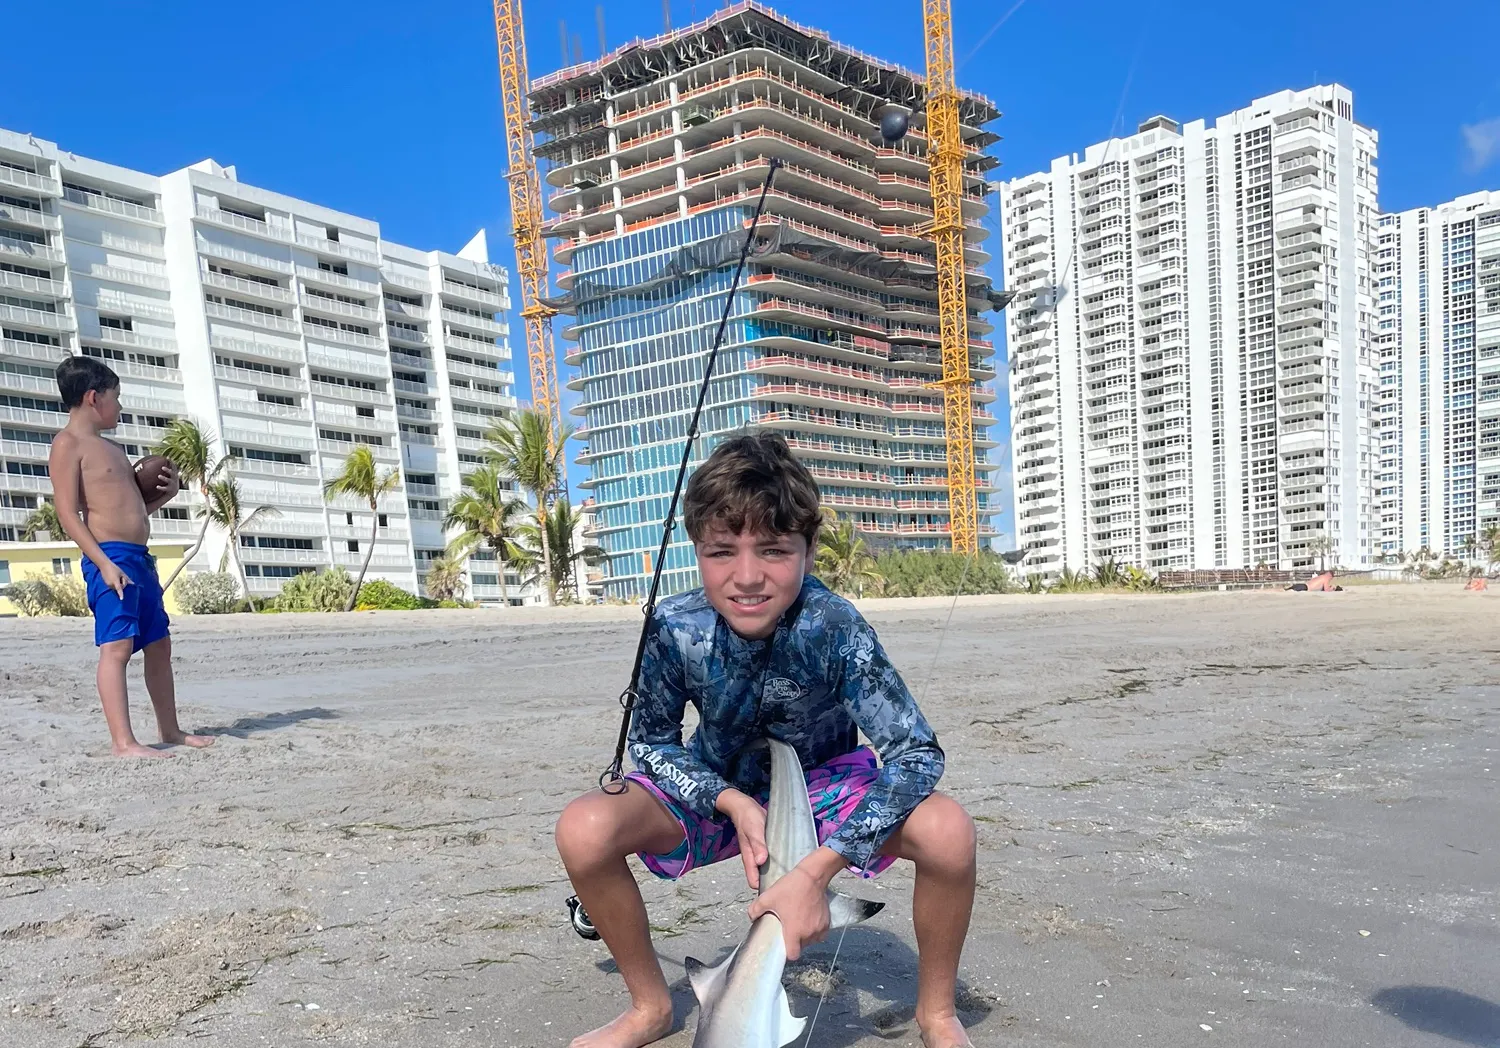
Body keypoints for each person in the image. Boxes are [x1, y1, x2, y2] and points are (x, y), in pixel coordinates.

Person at [554, 432, 979, 1048]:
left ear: (807, 551)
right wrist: (728, 800)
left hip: (827, 790)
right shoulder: (676, 626)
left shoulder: (833, 626)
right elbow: (649, 744)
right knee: (584, 828)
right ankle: (651, 1007)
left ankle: (936, 1012)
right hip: (718, 789)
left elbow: (916, 753)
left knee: (949, 831)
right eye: (722, 551)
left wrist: (816, 871)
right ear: (697, 550)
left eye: (774, 550)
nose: (747, 577)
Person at [46, 356, 213, 759]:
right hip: (110, 558)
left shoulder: (116, 451)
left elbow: (131, 510)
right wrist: (104, 564)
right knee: (117, 647)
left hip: (140, 558)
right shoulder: (67, 445)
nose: (120, 406)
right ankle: (124, 742)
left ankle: (169, 730)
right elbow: (68, 513)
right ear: (93, 397)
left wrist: (166, 497)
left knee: (158, 644)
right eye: (116, 398)